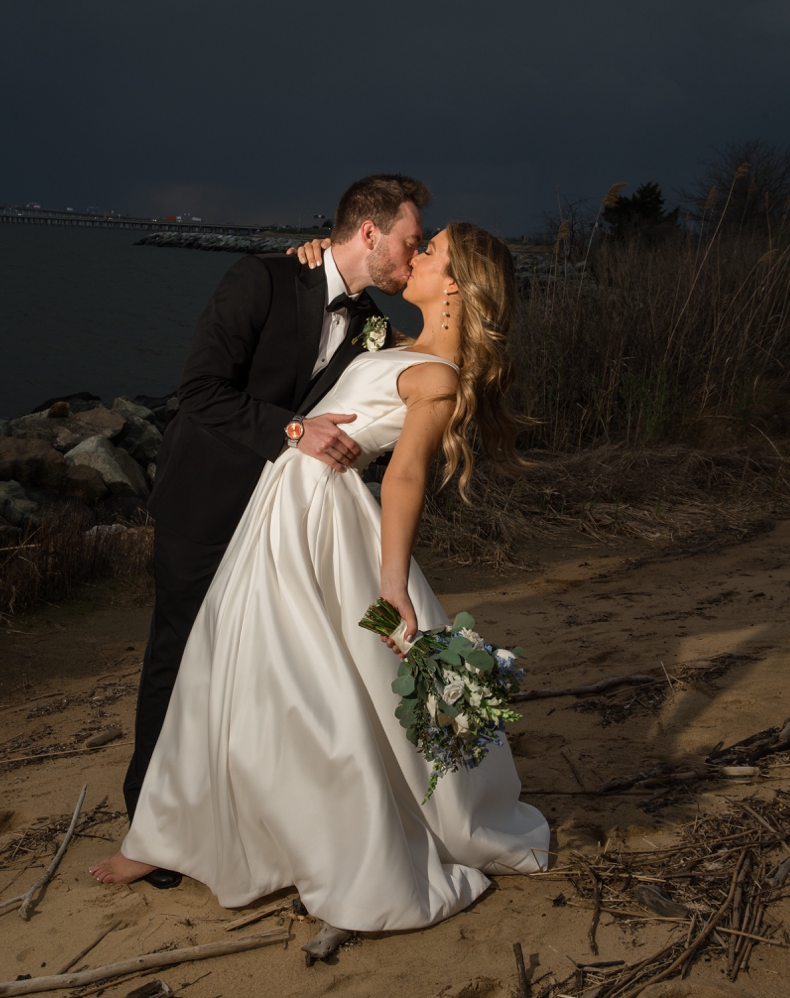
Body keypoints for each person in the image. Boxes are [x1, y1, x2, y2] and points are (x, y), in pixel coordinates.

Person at [91, 220, 550, 959]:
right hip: (281, 507)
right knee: (229, 666)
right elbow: (338, 291)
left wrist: (393, 583)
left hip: (319, 523)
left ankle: (312, 840)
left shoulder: (437, 376)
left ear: (456, 287)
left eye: (428, 252)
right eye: (417, 241)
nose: (417, 257)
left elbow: (403, 477)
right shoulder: (386, 333)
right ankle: (176, 830)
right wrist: (315, 254)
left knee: (297, 686)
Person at [118, 175, 430, 889]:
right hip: (206, 504)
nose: (412, 258)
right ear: (371, 231)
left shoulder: (374, 321)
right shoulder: (259, 279)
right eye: (410, 242)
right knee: (177, 658)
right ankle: (150, 827)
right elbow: (198, 389)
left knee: (252, 674)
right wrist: (295, 430)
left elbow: (409, 362)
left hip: (284, 527)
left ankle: (234, 820)